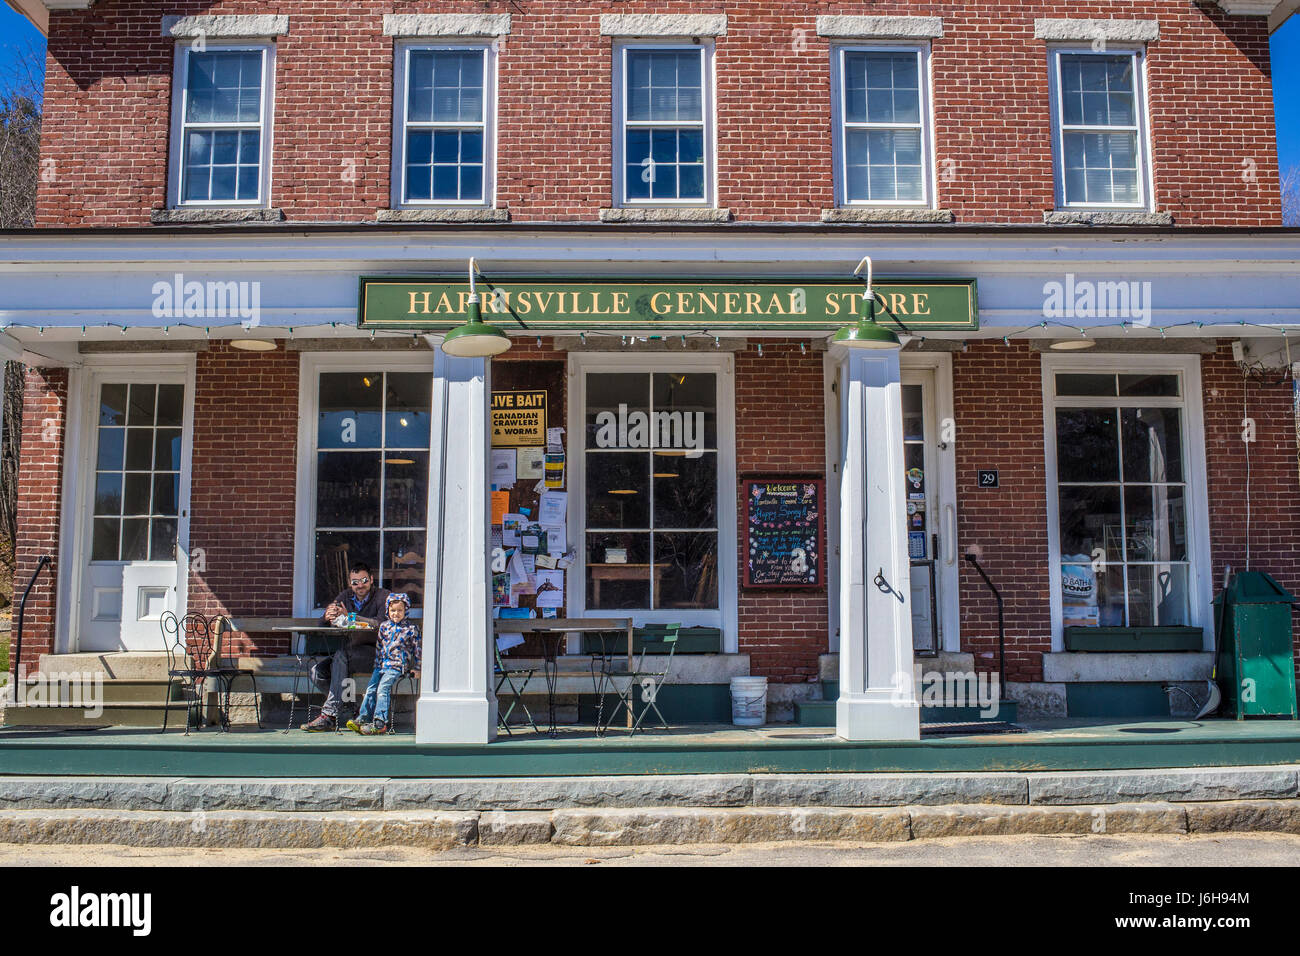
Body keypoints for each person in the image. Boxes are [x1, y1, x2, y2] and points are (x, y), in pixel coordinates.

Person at [300, 562, 389, 732]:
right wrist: (326, 617)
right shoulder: (345, 596)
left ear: (371, 579)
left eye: (363, 580)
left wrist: (352, 618)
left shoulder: (383, 596)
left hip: (376, 654)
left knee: (341, 656)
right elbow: (321, 626)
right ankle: (351, 708)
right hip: (350, 653)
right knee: (317, 672)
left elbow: (382, 624)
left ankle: (329, 715)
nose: (360, 585)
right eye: (355, 582)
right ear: (350, 583)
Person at [347, 592, 420, 736]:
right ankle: (363, 718)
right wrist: (377, 665)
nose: (396, 614)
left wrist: (417, 668)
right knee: (370, 689)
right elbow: (379, 647)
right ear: (388, 610)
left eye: (400, 610)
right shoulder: (384, 627)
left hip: (397, 665)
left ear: (406, 610)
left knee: (383, 688)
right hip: (382, 665)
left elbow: (418, 649)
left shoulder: (411, 629)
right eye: (393, 610)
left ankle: (380, 722)